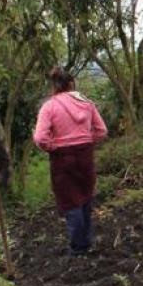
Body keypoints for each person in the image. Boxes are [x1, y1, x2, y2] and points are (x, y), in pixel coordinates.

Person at [34, 67, 107, 256]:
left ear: (54, 85)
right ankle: (86, 242)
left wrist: (53, 146)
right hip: (85, 155)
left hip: (62, 158)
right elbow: (101, 131)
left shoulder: (49, 106)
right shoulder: (87, 104)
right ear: (71, 84)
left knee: (70, 201)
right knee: (85, 197)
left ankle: (78, 248)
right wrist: (86, 141)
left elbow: (40, 138)